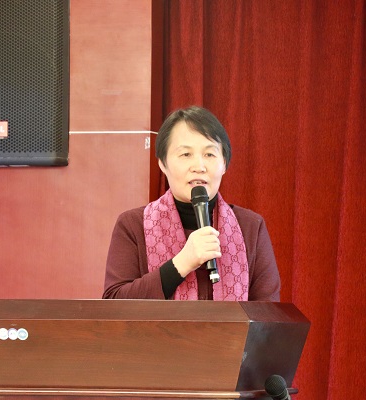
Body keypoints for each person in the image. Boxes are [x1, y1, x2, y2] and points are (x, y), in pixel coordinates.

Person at [102, 106, 280, 301]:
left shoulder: (251, 227)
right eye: (186, 154)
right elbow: (114, 302)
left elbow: (267, 312)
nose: (199, 167)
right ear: (163, 163)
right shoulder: (132, 225)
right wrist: (182, 263)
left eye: (209, 154)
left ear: (224, 164)